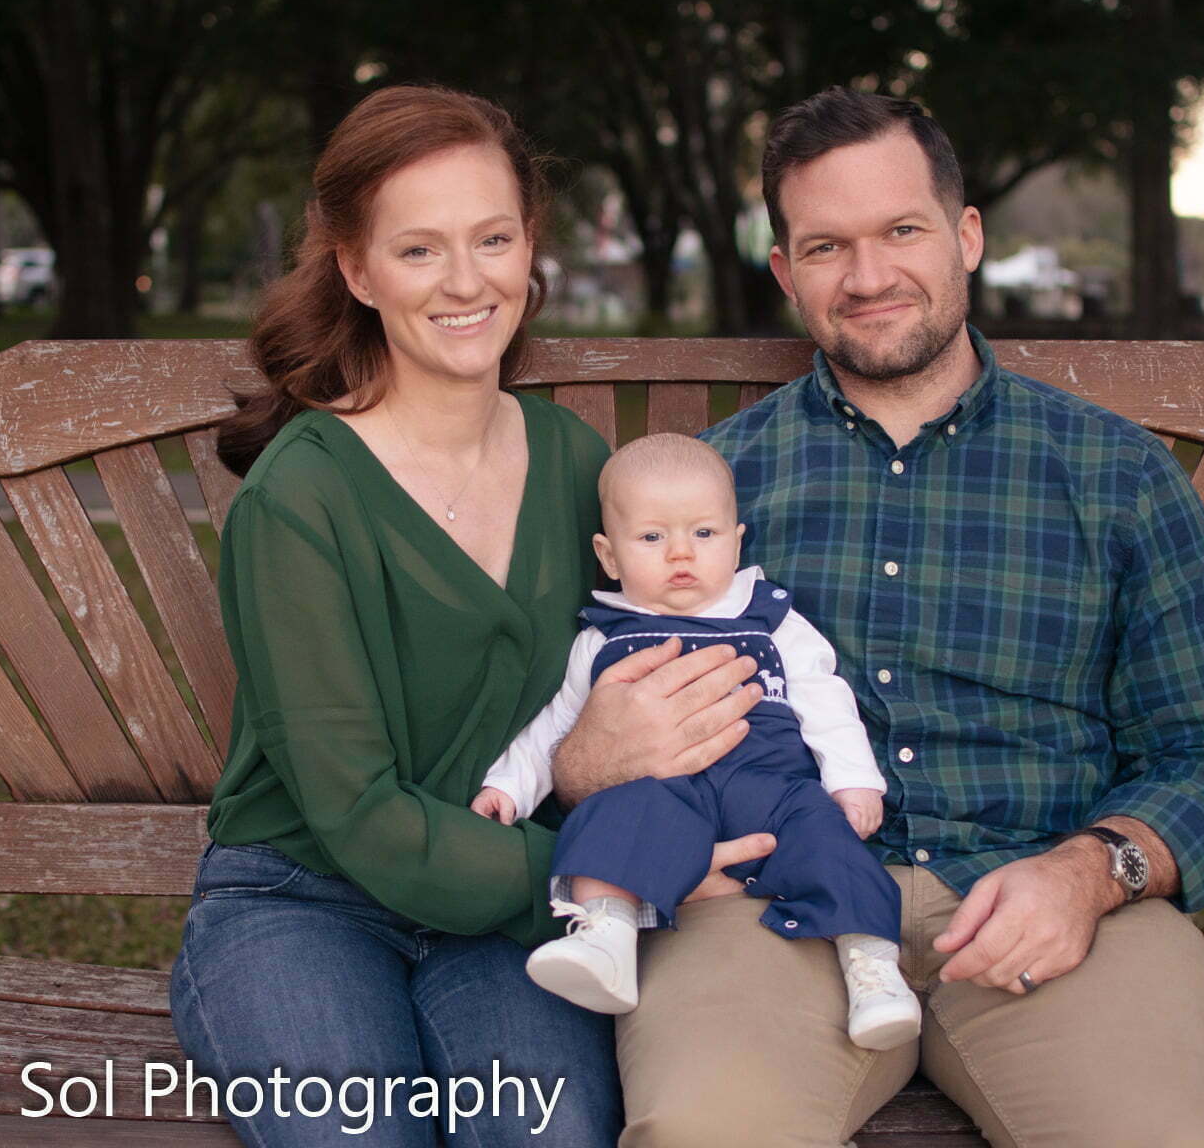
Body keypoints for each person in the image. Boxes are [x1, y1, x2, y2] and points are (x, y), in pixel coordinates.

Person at [547, 87, 1204, 1146]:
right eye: (827, 245)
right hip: (769, 908)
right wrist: (587, 769)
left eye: (902, 230)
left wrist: (1092, 870)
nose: (871, 275)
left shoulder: (1111, 473)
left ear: (967, 235)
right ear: (786, 273)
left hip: (1052, 896)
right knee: (708, 1132)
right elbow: (588, 714)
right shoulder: (712, 496)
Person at [167, 84, 766, 1148]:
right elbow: (358, 816)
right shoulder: (299, 499)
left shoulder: (581, 465)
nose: (465, 282)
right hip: (306, 898)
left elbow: (652, 665)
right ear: (355, 270)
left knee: (554, 1131)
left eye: (493, 239)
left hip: (501, 915)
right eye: (418, 251)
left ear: (530, 245)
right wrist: (615, 875)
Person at [468, 433, 922, 1050]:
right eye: (652, 538)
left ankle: (873, 970)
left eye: (704, 535)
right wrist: (509, 786)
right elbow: (558, 726)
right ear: (609, 555)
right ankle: (605, 936)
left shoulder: (771, 619)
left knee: (828, 839)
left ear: (737, 541)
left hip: (774, 789)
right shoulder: (605, 637)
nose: (681, 553)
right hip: (666, 796)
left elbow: (824, 697)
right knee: (614, 813)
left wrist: (852, 780)